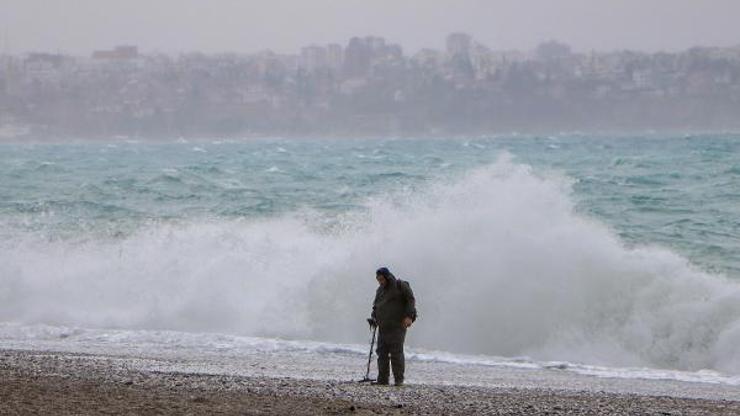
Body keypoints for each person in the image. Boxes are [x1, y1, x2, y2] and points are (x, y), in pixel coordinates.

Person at [368, 267, 417, 386]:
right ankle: (383, 380)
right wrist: (374, 318)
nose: (380, 281)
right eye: (378, 279)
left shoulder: (401, 285)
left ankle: (398, 380)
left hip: (398, 325)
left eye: (381, 279)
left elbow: (411, 300)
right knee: (381, 353)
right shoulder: (380, 290)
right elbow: (376, 306)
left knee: (396, 353)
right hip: (383, 326)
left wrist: (409, 316)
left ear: (387, 277)